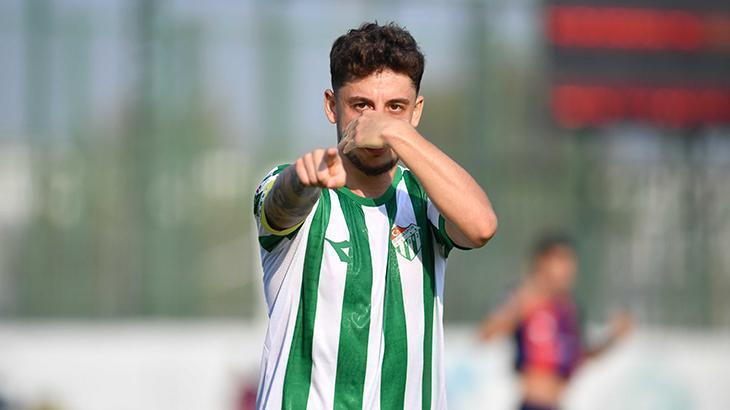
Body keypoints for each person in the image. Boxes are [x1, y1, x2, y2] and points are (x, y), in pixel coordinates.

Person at [253, 22, 498, 409]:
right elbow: (281, 206)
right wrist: (300, 180)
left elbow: (481, 226)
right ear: (332, 106)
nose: (376, 124)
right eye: (361, 106)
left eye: (395, 108)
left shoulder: (423, 197)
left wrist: (397, 133)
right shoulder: (301, 188)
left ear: (416, 111)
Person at [477, 234, 632, 410]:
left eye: (570, 262)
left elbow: (583, 354)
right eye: (561, 260)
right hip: (531, 404)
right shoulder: (523, 296)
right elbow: (486, 333)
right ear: (542, 262)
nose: (569, 269)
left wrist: (612, 338)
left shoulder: (570, 308)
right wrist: (521, 306)